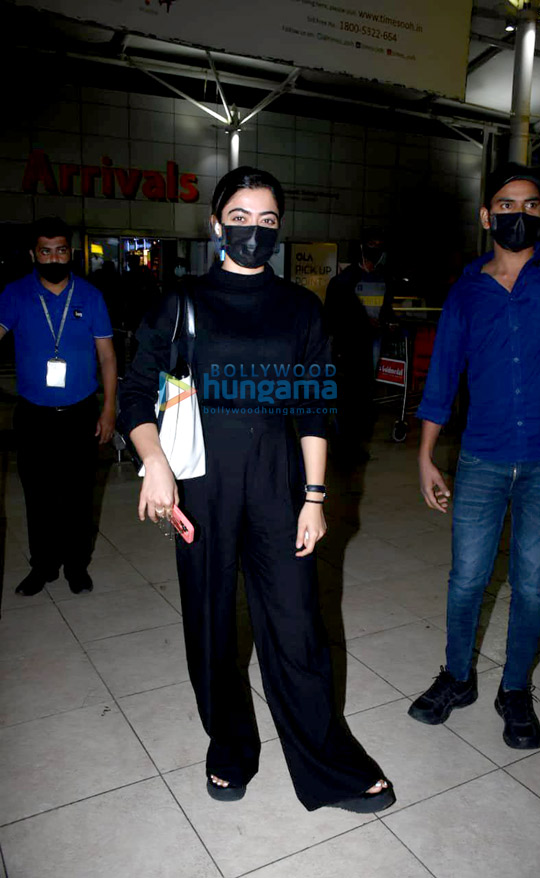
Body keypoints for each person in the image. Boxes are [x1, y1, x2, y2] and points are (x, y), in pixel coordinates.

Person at [119, 167, 395, 813]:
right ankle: (229, 748)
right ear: (216, 224)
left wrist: (316, 498)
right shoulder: (179, 300)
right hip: (201, 485)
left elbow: (313, 408)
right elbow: (136, 389)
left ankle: (327, 762)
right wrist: (154, 460)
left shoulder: (300, 307)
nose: (252, 230)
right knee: (211, 626)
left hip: (279, 484)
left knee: (297, 627)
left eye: (266, 220)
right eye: (239, 218)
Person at [410, 164, 540, 749]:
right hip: (481, 459)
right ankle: (457, 678)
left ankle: (515, 690)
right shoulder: (465, 290)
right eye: (507, 204)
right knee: (467, 581)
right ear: (486, 216)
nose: (520, 214)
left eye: (532, 205)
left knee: (534, 584)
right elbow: (442, 376)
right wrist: (427, 456)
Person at [0, 217, 117, 595]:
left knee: (80, 495)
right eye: (46, 251)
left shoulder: (90, 296)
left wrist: (109, 408)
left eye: (61, 250)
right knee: (38, 496)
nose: (54, 258)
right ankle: (44, 566)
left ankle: (77, 566)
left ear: (71, 252)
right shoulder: (14, 294)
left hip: (80, 413)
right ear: (34, 254)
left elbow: (108, 358)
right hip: (33, 415)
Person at [324, 226, 399, 464]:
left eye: (379, 246)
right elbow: (333, 316)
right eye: (371, 245)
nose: (375, 251)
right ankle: (340, 446)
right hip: (349, 349)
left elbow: (386, 309)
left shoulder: (384, 279)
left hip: (371, 346)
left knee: (362, 398)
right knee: (346, 397)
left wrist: (388, 323)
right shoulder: (344, 280)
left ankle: (353, 445)